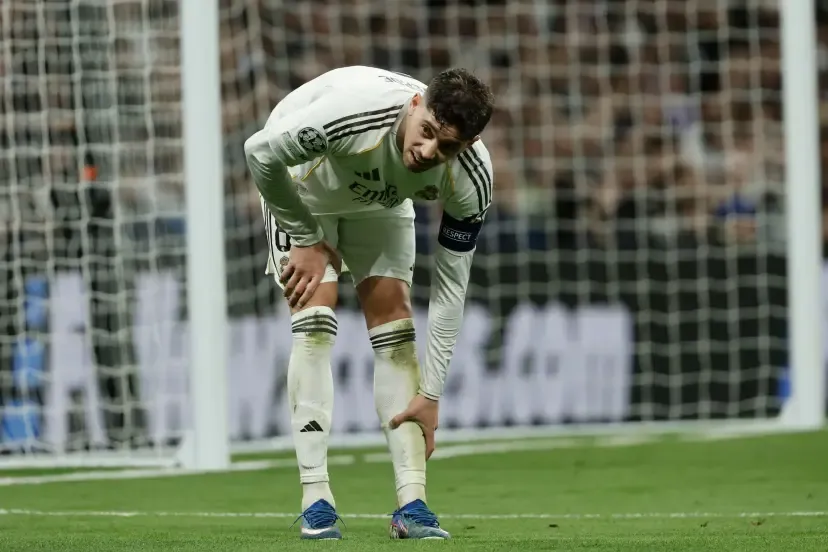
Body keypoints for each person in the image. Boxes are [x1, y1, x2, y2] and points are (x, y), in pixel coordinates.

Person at [244, 65, 494, 540]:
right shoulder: (351, 114)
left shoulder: (472, 176)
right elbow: (258, 151)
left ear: (468, 145)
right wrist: (303, 234)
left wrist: (432, 394)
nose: (428, 153)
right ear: (416, 104)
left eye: (447, 147)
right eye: (427, 132)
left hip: (381, 202)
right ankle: (316, 500)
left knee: (397, 331)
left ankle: (413, 505)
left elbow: (450, 288)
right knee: (314, 321)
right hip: (302, 187)